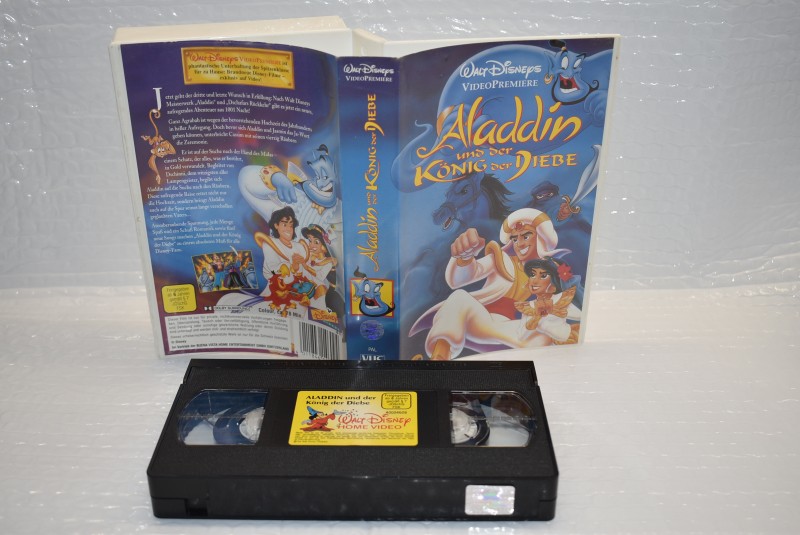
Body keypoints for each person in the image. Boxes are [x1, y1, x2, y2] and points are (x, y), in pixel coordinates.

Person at [410, 208, 567, 360]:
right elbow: (461, 279)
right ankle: (439, 359)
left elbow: (561, 302)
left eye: (526, 237)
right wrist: (465, 257)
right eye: (515, 239)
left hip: (510, 327)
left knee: (543, 336)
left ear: (540, 237)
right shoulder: (502, 259)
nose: (519, 243)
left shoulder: (550, 271)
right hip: (479, 319)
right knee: (459, 297)